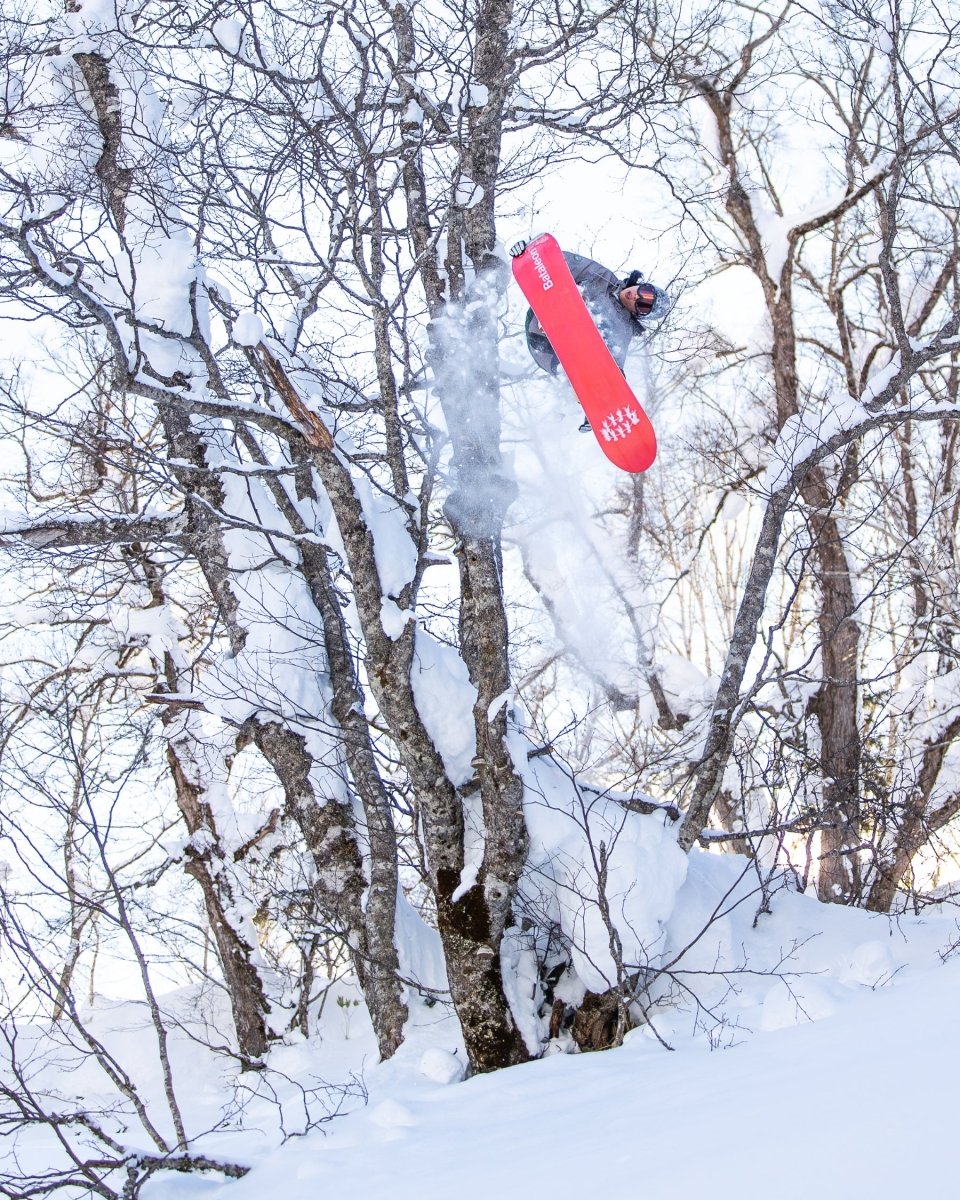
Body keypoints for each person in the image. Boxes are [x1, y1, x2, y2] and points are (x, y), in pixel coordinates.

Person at [510, 241, 671, 429]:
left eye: (643, 305)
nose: (637, 297)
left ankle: (590, 401)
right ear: (641, 285)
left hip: (549, 352)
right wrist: (529, 253)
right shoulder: (602, 277)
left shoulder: (621, 331)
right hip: (537, 319)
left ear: (639, 314)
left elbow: (611, 370)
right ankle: (556, 316)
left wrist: (599, 409)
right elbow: (562, 262)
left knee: (605, 361)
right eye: (645, 293)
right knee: (585, 297)